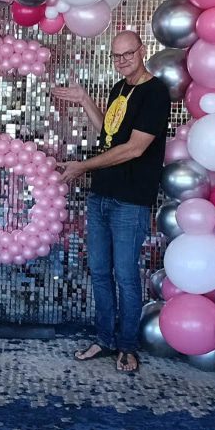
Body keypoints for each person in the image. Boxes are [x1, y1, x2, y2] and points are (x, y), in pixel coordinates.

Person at [52, 31, 170, 373]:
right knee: (101, 273)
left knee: (126, 277)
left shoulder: (156, 92)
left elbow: (134, 148)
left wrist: (83, 166)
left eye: (128, 53)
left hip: (130, 200)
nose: (122, 61)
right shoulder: (120, 88)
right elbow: (109, 133)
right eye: (116, 56)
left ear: (142, 51)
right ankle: (104, 340)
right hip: (101, 195)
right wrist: (84, 99)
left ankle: (127, 346)